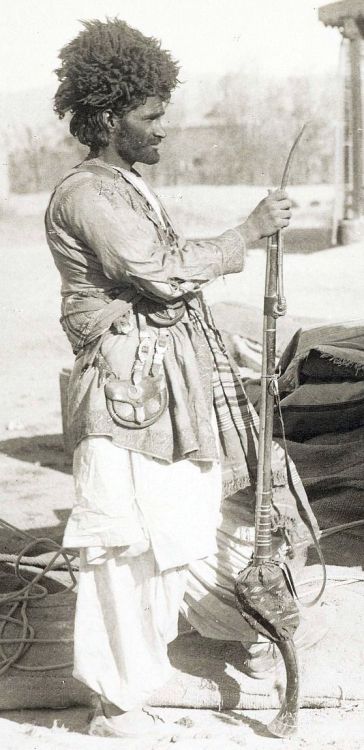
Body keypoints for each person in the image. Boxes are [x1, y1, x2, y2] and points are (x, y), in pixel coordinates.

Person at [45, 18, 321, 740]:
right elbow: (161, 274)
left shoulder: (130, 186)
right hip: (122, 399)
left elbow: (174, 285)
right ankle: (116, 703)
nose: (163, 127)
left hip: (169, 393)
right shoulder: (87, 195)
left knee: (190, 528)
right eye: (150, 116)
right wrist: (247, 232)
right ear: (107, 118)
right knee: (124, 548)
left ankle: (243, 635)